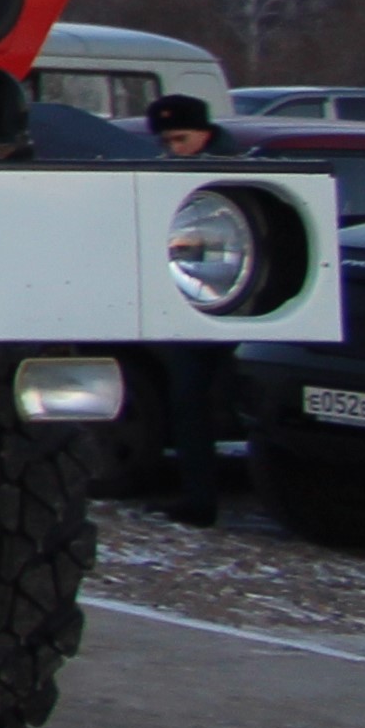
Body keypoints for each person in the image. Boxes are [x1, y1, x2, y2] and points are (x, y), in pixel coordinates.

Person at [141, 94, 234, 526]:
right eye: (168, 141)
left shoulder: (231, 169)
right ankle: (197, 496)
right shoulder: (182, 168)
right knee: (188, 401)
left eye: (182, 138)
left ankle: (201, 497)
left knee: (197, 399)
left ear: (204, 132)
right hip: (194, 302)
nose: (175, 148)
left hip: (224, 304)